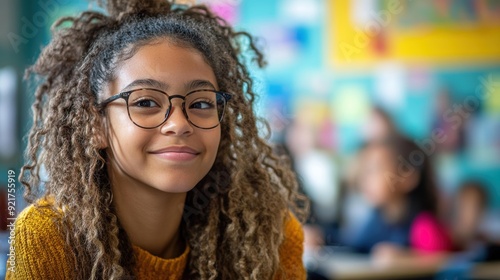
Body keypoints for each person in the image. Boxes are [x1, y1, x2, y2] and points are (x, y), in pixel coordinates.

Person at [6, 1, 308, 279]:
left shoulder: (270, 235)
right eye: (146, 102)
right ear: (94, 123)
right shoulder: (48, 237)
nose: (178, 124)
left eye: (201, 104)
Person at [349, 135, 453, 265]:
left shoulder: (424, 226)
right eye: (365, 171)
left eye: (375, 169)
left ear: (408, 178)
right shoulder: (375, 219)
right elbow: (354, 249)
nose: (365, 179)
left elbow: (447, 264)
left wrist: (407, 258)